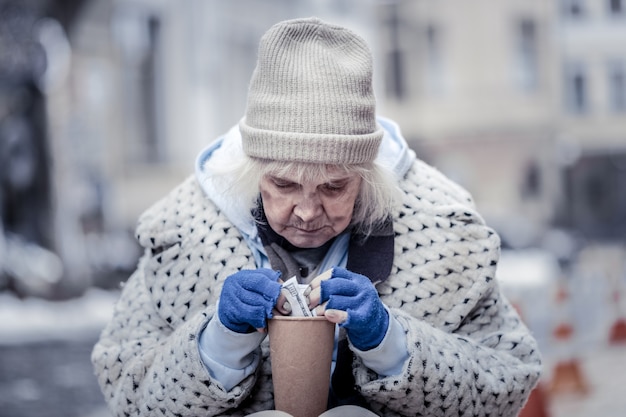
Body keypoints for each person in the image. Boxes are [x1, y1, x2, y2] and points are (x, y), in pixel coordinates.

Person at [92, 17, 542, 417]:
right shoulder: (181, 235)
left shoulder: (446, 236)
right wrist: (219, 340)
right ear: (251, 174)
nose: (307, 212)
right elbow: (126, 391)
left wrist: (390, 342)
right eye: (283, 186)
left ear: (369, 180)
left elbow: (507, 381)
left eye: (333, 187)